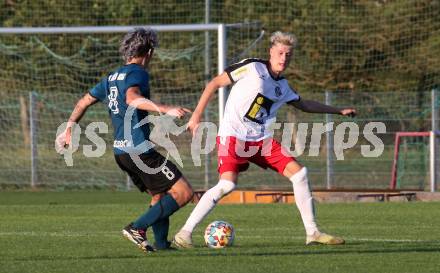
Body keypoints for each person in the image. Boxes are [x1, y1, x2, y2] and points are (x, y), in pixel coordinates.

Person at [173, 31, 356, 248]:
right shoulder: (252, 67)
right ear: (271, 52)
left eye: (288, 55)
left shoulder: (283, 86)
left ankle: (313, 232)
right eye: (280, 53)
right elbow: (214, 83)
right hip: (233, 134)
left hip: (261, 139)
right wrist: (196, 116)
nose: (283, 58)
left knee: (300, 175)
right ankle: (184, 233)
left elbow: (304, 104)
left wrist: (338, 111)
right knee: (227, 184)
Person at [55, 28, 194, 253]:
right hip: (139, 150)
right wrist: (164, 108)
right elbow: (132, 98)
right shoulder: (138, 72)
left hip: (122, 153)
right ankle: (137, 228)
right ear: (148, 52)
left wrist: (69, 128)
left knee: (159, 194)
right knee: (183, 192)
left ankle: (161, 244)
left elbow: (83, 101)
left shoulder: (111, 77)